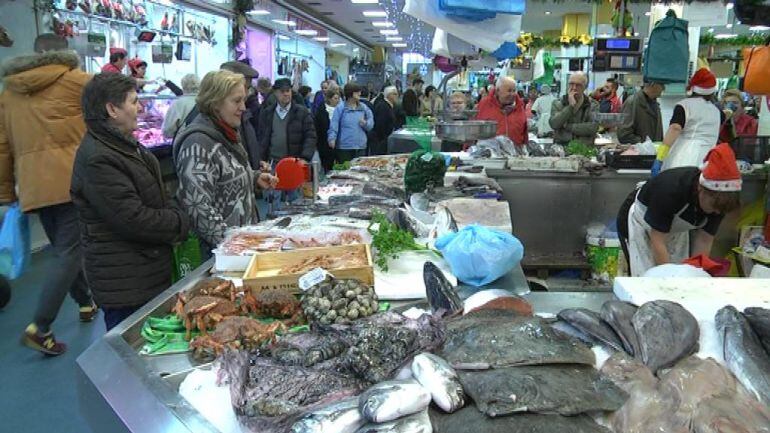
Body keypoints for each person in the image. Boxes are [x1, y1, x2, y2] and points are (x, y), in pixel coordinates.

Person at [0, 34, 96, 355]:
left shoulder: (9, 92)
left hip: (33, 185)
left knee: (64, 249)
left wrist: (6, 192)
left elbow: (2, 147)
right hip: (73, 179)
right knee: (69, 252)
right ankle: (41, 326)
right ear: (65, 53)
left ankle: (84, 303)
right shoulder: (79, 82)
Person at [71, 73, 190, 331]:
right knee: (132, 355)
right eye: (134, 101)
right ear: (112, 109)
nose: (140, 107)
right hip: (126, 283)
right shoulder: (99, 159)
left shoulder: (122, 145)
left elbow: (156, 197)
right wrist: (180, 220)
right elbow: (134, 220)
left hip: (143, 273)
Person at [174, 70, 277, 257]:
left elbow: (225, 175)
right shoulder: (197, 144)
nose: (244, 107)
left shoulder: (227, 133)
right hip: (219, 255)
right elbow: (198, 209)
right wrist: (235, 247)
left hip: (242, 248)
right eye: (236, 101)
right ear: (215, 104)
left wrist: (253, 178)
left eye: (243, 100)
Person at [616, 143, 741, 277]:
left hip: (672, 231)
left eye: (720, 211)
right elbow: (657, 239)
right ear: (701, 189)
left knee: (684, 275)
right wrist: (670, 278)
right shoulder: (671, 189)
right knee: (648, 279)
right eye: (714, 208)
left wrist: (696, 274)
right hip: (641, 225)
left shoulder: (720, 201)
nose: (716, 213)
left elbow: (704, 240)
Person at [658, 68, 723, 173]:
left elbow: (675, 128)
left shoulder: (684, 105)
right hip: (709, 161)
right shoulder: (717, 111)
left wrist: (660, 157)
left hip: (685, 158)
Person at [258, 77, 316, 164]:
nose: (286, 94)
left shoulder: (302, 112)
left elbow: (310, 136)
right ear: (275, 93)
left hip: (295, 163)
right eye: (282, 91)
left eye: (288, 91)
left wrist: (305, 157)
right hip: (272, 163)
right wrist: (261, 158)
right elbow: (261, 137)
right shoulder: (268, 113)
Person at [220, 61, 261, 170]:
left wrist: (256, 167)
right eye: (245, 87)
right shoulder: (207, 127)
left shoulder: (242, 114)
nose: (247, 94)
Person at [549, 72, 599, 146]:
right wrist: (570, 107)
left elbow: (593, 128)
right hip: (561, 148)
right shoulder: (558, 103)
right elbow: (554, 124)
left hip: (584, 149)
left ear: (585, 87)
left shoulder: (592, 105)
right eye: (571, 84)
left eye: (578, 85)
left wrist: (568, 126)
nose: (574, 88)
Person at [329, 82, 374, 163]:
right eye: (357, 92)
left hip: (361, 146)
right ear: (351, 93)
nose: (360, 93)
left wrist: (366, 123)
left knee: (360, 172)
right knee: (345, 172)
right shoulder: (341, 108)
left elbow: (371, 124)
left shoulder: (364, 107)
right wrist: (332, 138)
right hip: (344, 147)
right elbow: (334, 124)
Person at [476, 76, 528, 146]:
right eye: (509, 91)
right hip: (489, 154)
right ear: (498, 91)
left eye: (514, 91)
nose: (512, 94)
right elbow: (474, 131)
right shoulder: (484, 105)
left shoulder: (519, 106)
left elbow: (524, 134)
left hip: (516, 155)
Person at [162, 74, 200, 139]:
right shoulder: (205, 102)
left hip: (183, 144)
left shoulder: (177, 104)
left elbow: (167, 131)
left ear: (183, 86)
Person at [314, 88, 341, 171]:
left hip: (339, 143)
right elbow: (318, 128)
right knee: (327, 167)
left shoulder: (341, 110)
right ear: (329, 99)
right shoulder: (321, 111)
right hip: (324, 144)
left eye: (338, 98)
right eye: (335, 98)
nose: (337, 101)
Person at [371, 85, 399, 155]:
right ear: (388, 95)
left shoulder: (389, 105)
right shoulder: (383, 106)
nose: (397, 96)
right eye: (395, 94)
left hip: (384, 140)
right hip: (380, 141)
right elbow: (380, 125)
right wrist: (384, 139)